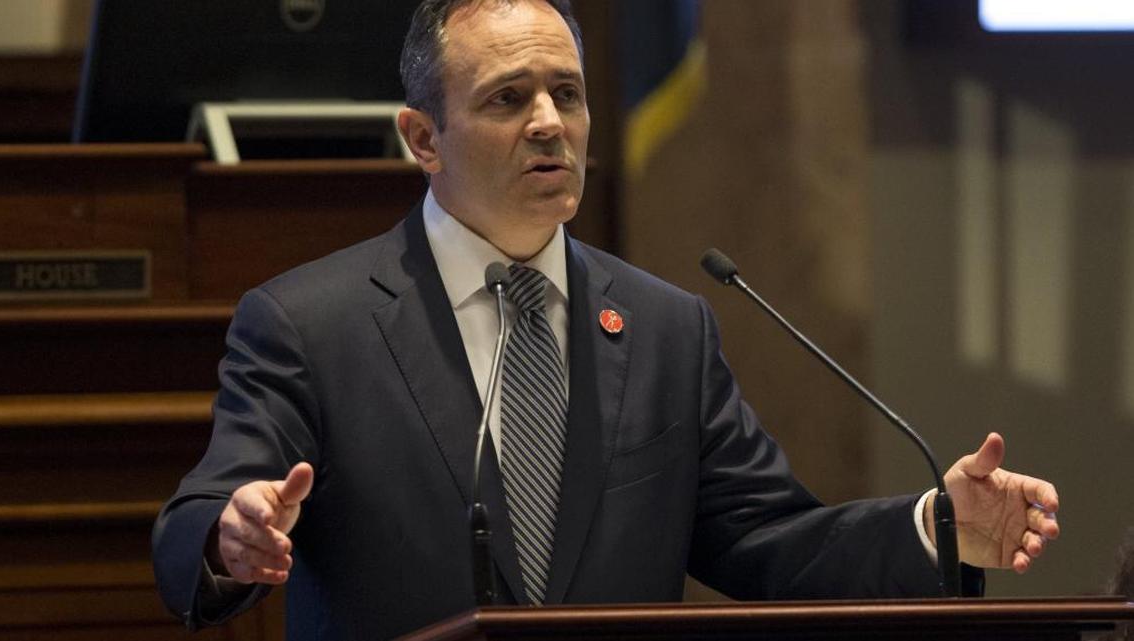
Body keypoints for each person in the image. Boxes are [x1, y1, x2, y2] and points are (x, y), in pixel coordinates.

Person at [152, 1, 1061, 639]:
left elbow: (767, 541)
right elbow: (196, 521)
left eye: (569, 94)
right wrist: (233, 537)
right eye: (509, 98)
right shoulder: (310, 324)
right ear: (422, 138)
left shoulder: (669, 328)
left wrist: (938, 526)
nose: (551, 123)